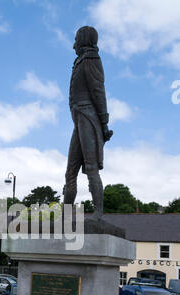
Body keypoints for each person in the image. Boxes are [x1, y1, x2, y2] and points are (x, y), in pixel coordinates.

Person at [64, 26, 113, 219]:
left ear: (84, 40)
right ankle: (66, 217)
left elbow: (98, 91)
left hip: (88, 118)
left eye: (76, 39)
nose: (73, 44)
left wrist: (104, 123)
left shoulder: (91, 59)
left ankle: (98, 213)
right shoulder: (80, 61)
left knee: (91, 168)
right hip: (78, 120)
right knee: (70, 172)